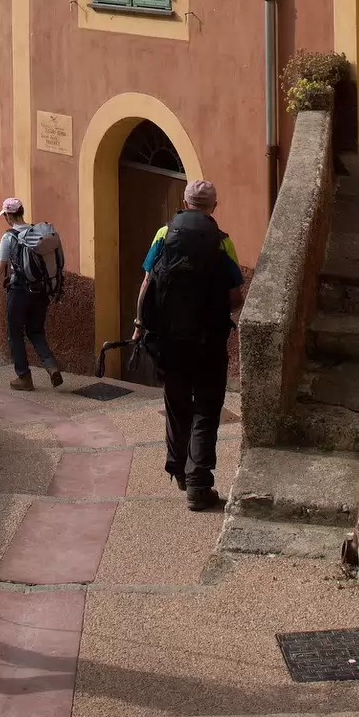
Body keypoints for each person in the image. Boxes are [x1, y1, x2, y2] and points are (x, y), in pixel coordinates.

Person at [133, 179, 244, 512]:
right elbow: (235, 297)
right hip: (209, 341)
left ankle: (179, 470)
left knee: (176, 403)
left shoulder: (163, 234)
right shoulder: (223, 242)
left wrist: (139, 325)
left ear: (184, 203)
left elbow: (147, 284)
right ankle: (198, 485)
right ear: (213, 207)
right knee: (207, 409)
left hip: (170, 341)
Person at [0, 197, 65, 392]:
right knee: (36, 330)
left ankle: (24, 377)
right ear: (22, 212)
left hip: (19, 292)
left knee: (15, 333)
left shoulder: (9, 237)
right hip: (42, 291)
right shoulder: (38, 235)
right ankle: (51, 366)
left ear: (8, 216)